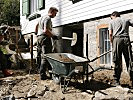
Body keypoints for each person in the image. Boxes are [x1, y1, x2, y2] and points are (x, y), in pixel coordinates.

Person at [109, 11, 133, 87]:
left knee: (117, 60)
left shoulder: (111, 21)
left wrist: (112, 43)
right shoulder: (126, 20)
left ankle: (116, 81)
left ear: (114, 15)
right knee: (129, 60)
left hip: (117, 39)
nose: (111, 18)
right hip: (126, 39)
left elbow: (110, 34)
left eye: (111, 17)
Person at [36, 7, 59, 80]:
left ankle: (49, 72)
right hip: (45, 38)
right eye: (55, 13)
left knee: (42, 55)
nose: (55, 15)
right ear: (51, 11)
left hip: (39, 38)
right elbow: (46, 30)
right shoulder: (48, 18)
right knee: (46, 56)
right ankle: (42, 75)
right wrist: (53, 36)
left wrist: (36, 33)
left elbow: (36, 25)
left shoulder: (42, 17)